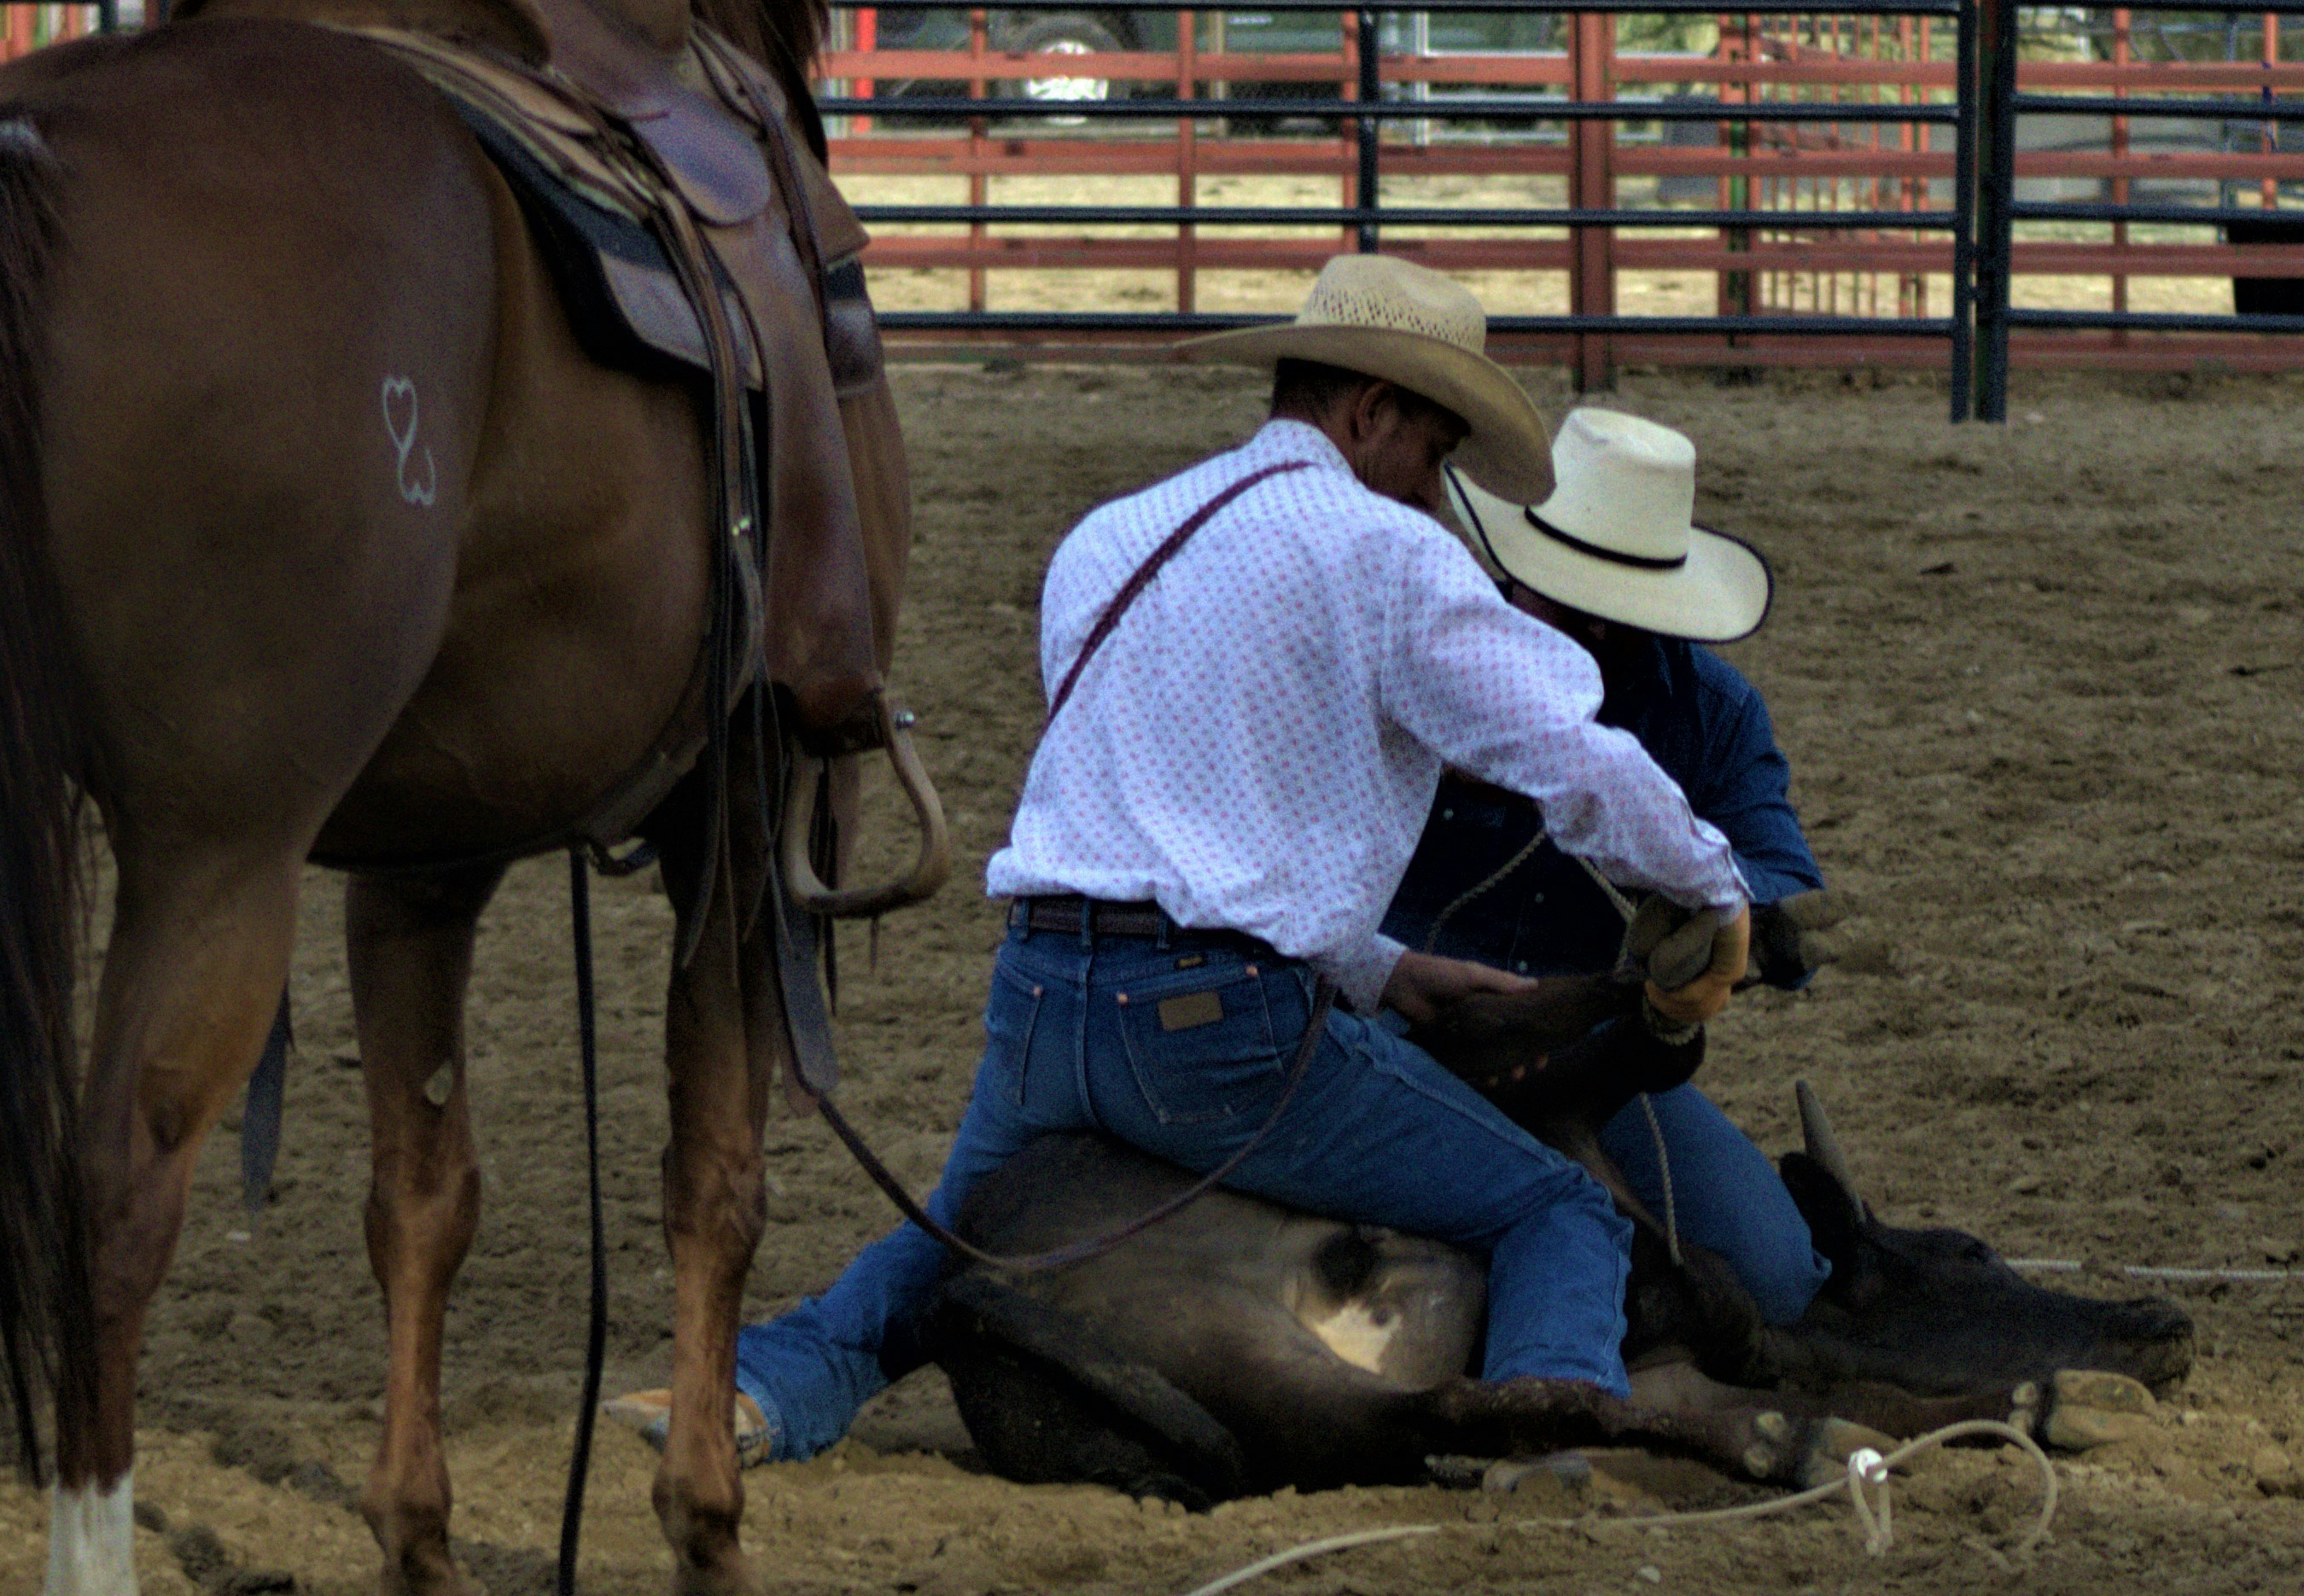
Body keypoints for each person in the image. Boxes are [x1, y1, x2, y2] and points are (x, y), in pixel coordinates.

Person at [653, 253, 1756, 1468]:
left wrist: (1380, 969)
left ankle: (755, 1390)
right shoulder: (1385, 557)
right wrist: (1710, 886)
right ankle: (1554, 1433)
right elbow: (1575, 757)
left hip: (1041, 994)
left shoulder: (1111, 537)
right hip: (1214, 1026)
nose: (1438, 498)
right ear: (1370, 412)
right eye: (1435, 456)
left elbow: (1170, 809)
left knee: (959, 1229)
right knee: (1557, 1205)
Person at [1389, 404, 1833, 1328]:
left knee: (1774, 1279)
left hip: (1588, 1064)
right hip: (1390, 1020)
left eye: (1606, 611)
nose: (1576, 625)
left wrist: (1702, 902)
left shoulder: (1709, 710)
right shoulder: (1426, 657)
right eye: (1558, 592)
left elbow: (1777, 883)